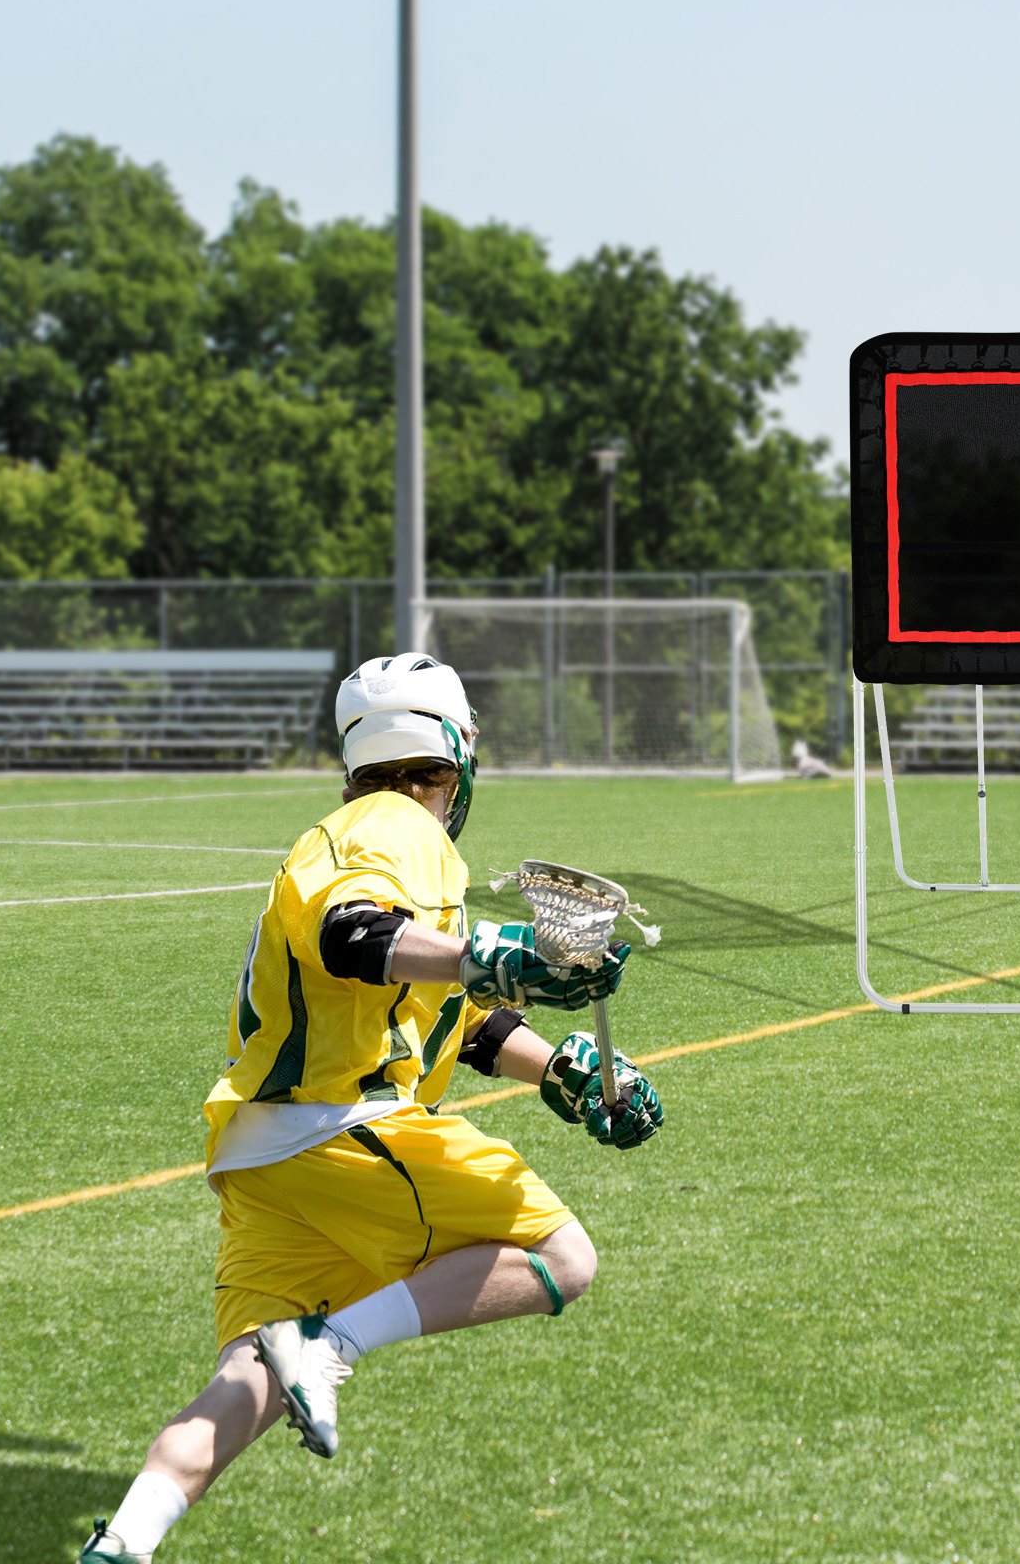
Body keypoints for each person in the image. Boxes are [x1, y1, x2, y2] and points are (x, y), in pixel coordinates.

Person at [80, 652, 664, 1563]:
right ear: (457, 749)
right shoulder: (398, 823)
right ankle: (334, 1342)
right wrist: (495, 952)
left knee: (249, 1379)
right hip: (338, 1129)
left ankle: (124, 1540)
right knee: (563, 1257)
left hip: (261, 1158)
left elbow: (447, 1017)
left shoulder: (369, 830)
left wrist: (560, 1073)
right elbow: (356, 936)